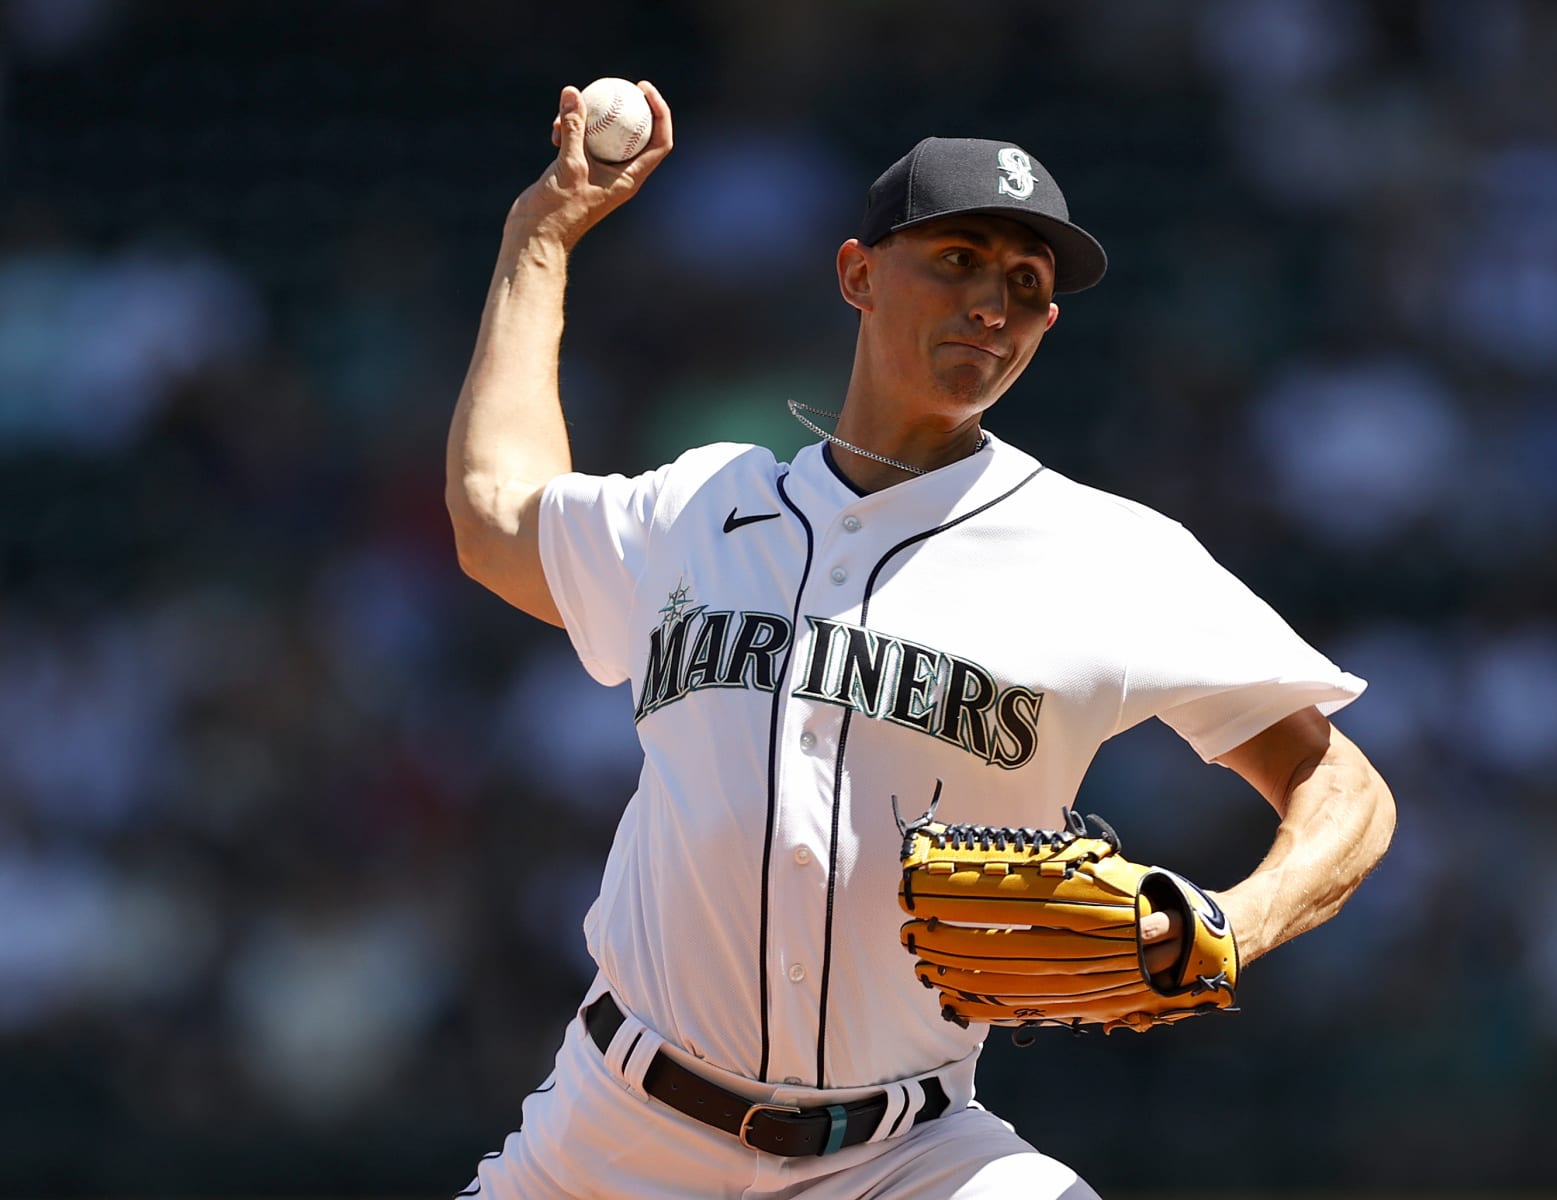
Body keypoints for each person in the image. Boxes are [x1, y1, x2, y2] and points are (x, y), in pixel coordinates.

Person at [445, 80, 1396, 1199]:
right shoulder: (701, 510)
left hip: (906, 1158)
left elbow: (1346, 788)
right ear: (857, 273)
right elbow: (495, 508)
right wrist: (539, 237)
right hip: (614, 1142)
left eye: (1028, 287)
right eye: (959, 260)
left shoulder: (1103, 551)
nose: (995, 301)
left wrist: (1236, 923)